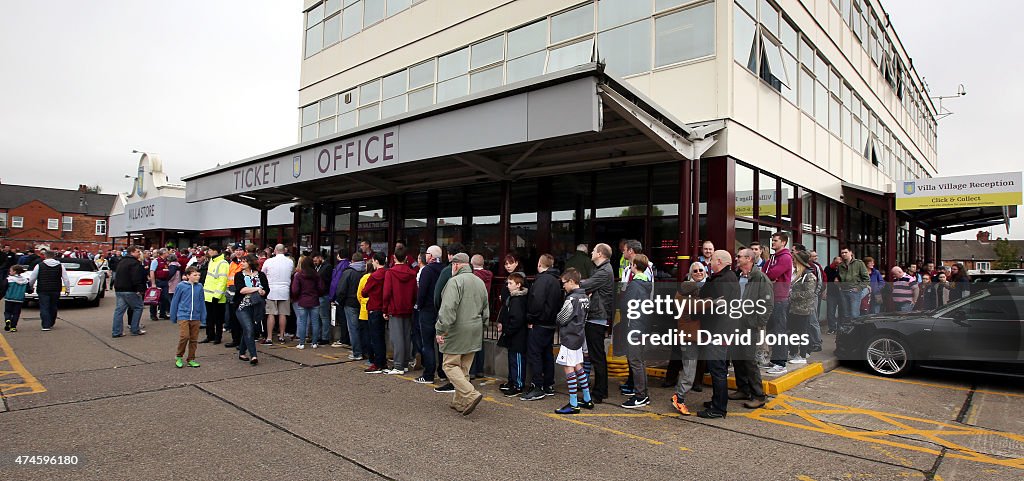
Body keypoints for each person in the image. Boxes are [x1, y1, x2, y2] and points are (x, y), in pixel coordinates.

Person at [435, 253, 490, 416]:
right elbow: (486, 308)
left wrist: (440, 329)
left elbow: (447, 310)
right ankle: (459, 401)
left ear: (456, 265)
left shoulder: (455, 282)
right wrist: (483, 326)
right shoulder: (479, 281)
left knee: (450, 365)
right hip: (475, 329)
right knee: (464, 367)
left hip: (457, 329)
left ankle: (470, 394)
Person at [696, 250, 740, 419]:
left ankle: (719, 408)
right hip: (722, 330)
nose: (710, 263)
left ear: (719, 262)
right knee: (718, 369)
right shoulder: (729, 277)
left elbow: (711, 305)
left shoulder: (722, 280)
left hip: (718, 331)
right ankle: (716, 401)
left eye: (712, 260)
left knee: (718, 370)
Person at [730, 249, 772, 409]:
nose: (737, 258)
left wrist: (756, 322)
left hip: (749, 324)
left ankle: (759, 396)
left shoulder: (760, 278)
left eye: (739, 256)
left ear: (748, 259)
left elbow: (768, 304)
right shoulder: (738, 276)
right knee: (737, 357)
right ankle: (743, 389)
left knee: (749, 360)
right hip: (736, 322)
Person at [666, 262, 706, 415]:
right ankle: (679, 398)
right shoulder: (685, 300)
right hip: (688, 339)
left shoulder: (685, 297)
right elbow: (701, 305)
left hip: (693, 338)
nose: (698, 273)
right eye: (694, 271)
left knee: (689, 369)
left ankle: (679, 396)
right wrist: (716, 301)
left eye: (700, 270)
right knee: (689, 371)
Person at [521, 254, 562, 401]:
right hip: (550, 322)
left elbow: (536, 301)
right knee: (547, 353)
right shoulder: (555, 281)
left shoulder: (541, 280)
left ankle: (537, 385)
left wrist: (530, 317)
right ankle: (548, 384)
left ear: (539, 264)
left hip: (539, 322)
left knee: (535, 354)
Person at [579, 243, 614, 404]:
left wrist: (577, 282)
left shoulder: (604, 271)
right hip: (596, 316)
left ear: (600, 254)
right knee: (596, 355)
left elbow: (586, 285)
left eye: (593, 251)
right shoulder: (602, 270)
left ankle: (599, 392)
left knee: (597, 356)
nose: (591, 252)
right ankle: (602, 390)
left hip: (596, 317)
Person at [620, 256, 653, 409]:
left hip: (634, 326)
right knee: (639, 361)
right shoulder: (647, 283)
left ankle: (640, 395)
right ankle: (643, 394)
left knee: (635, 361)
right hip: (642, 326)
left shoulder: (634, 285)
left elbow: (627, 307)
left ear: (634, 266)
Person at [382, 246, 417, 374]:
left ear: (394, 258)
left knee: (397, 338)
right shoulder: (412, 273)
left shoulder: (390, 273)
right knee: (406, 336)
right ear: (406, 258)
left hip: (395, 307)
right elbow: (415, 293)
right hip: (408, 307)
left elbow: (386, 293)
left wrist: (384, 309)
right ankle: (405, 362)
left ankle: (398, 365)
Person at [414, 246, 445, 384]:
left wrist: (418, 305)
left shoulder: (427, 270)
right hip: (442, 309)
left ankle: (428, 374)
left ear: (431, 256)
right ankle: (443, 372)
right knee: (441, 343)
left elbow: (422, 291)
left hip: (427, 309)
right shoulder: (445, 269)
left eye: (426, 253)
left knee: (427, 343)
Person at [763, 232, 793, 376]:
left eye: (775, 241)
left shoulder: (786, 258)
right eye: (772, 240)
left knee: (779, 331)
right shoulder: (774, 258)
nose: (772, 243)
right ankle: (775, 360)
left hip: (780, 298)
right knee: (774, 330)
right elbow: (764, 273)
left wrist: (768, 277)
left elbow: (772, 274)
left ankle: (781, 363)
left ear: (783, 242)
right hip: (772, 297)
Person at [497, 272, 529, 397]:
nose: (508, 285)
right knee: (512, 359)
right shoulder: (512, 298)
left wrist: (508, 330)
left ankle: (518, 385)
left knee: (517, 360)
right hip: (512, 335)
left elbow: (517, 319)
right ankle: (512, 381)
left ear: (518, 285)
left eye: (511, 283)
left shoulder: (518, 300)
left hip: (517, 335)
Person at [170, 266, 207, 368]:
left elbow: (201, 302)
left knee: (194, 339)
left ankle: (191, 358)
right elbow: (175, 301)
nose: (198, 277)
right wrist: (173, 315)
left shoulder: (199, 287)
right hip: (183, 315)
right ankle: (179, 356)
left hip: (196, 316)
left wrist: (203, 317)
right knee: (185, 336)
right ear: (187, 276)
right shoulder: (181, 286)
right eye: (195, 275)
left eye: (198, 275)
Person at [234, 254, 267, 365]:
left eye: (244, 261)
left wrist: (263, 292)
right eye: (241, 261)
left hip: (257, 306)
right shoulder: (239, 275)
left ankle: (242, 352)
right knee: (249, 328)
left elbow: (266, 289)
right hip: (242, 307)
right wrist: (257, 289)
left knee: (249, 329)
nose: (242, 263)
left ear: (250, 262)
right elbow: (241, 290)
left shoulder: (261, 275)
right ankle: (253, 356)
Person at [787, 250, 818, 366]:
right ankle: (794, 352)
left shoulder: (808, 275)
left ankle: (803, 355)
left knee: (802, 333)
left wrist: (792, 295)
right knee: (794, 331)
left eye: (794, 259)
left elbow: (810, 293)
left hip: (803, 310)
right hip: (794, 308)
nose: (793, 261)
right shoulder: (797, 273)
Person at [28, 249, 71, 331]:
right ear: (54, 256)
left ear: (45, 256)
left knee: (44, 306)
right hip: (55, 289)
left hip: (42, 289)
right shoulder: (60, 266)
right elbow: (66, 279)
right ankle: (51, 322)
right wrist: (67, 289)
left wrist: (30, 286)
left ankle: (45, 325)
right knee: (53, 306)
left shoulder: (39, 265)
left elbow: (33, 278)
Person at [361, 253, 389, 373]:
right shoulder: (388, 273)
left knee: (375, 337)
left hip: (374, 307)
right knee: (381, 337)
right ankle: (382, 361)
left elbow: (364, 292)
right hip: (384, 307)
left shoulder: (373, 276)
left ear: (376, 261)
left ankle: (377, 363)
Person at [334, 252, 366, 358]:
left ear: (352, 261)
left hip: (350, 303)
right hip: (363, 303)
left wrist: (339, 301)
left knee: (353, 328)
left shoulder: (348, 272)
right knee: (363, 328)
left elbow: (341, 289)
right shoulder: (366, 271)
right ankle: (364, 350)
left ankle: (357, 352)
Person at [262, 244, 295, 345]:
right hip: (284, 290)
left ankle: (269, 337)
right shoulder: (290, 262)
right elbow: (291, 273)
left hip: (271, 289)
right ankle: (281, 336)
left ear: (275, 251)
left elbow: (263, 273)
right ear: (284, 251)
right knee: (283, 313)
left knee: (271, 313)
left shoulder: (269, 261)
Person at [112, 246, 148, 337]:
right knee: (138, 307)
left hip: (119, 289)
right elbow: (136, 277)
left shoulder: (121, 261)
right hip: (130, 289)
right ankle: (135, 329)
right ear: (132, 252)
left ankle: (117, 331)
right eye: (137, 252)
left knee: (119, 311)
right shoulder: (135, 263)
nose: (139, 253)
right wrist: (140, 289)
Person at [291, 256, 325, 349]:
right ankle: (314, 343)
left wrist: (297, 296)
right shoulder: (316, 275)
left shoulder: (298, 275)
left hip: (302, 300)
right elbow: (321, 288)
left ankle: (301, 343)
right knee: (315, 322)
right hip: (314, 300)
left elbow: (295, 290)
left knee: (302, 322)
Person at [200, 244, 229, 344]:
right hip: (208, 295)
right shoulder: (212, 261)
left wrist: (217, 295)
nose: (208, 252)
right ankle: (210, 335)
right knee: (209, 318)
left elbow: (222, 281)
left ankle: (218, 337)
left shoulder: (223, 263)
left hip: (217, 296)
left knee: (218, 319)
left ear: (216, 251)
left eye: (210, 250)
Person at [838, 248, 870, 320]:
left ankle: (856, 330)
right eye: (842, 253)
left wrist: (858, 288)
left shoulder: (859, 263)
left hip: (854, 291)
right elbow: (840, 278)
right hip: (843, 290)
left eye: (845, 252)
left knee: (854, 314)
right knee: (845, 313)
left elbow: (866, 279)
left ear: (850, 253)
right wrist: (839, 285)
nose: (843, 254)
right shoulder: (841, 265)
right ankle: (848, 330)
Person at [329, 251, 352, 347]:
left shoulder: (340, 267)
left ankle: (344, 339)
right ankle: (347, 339)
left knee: (343, 319)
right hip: (349, 296)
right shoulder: (349, 265)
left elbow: (335, 283)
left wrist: (332, 297)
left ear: (339, 256)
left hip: (340, 296)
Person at [313, 253, 334, 347]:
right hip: (318, 295)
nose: (315, 262)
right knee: (318, 317)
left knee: (324, 317)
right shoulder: (318, 267)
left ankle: (325, 337)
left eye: (315, 260)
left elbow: (325, 280)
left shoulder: (327, 267)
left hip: (323, 295)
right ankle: (318, 336)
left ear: (320, 258)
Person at [356, 259, 375, 365]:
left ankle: (368, 355)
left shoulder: (364, 278)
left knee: (366, 334)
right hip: (375, 308)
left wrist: (363, 302)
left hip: (364, 309)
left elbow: (359, 294)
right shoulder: (377, 276)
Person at [2, 265, 30, 332]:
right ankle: (13, 327)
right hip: (19, 299)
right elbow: (29, 290)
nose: (9, 272)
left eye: (10, 271)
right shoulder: (25, 280)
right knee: (16, 313)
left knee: (8, 311)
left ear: (14, 272)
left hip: (9, 298)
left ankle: (8, 320)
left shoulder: (9, 279)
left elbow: (3, 288)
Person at [148, 248, 172, 321]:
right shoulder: (156, 261)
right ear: (163, 253)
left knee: (164, 298)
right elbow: (152, 271)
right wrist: (153, 283)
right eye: (167, 253)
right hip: (158, 281)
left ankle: (162, 313)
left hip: (165, 281)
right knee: (155, 298)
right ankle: (153, 314)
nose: (168, 254)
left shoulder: (165, 261)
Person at [824, 256, 843, 334]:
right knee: (831, 311)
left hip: (841, 292)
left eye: (839, 262)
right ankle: (832, 328)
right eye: (836, 262)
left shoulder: (843, 268)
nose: (838, 263)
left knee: (842, 311)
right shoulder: (828, 268)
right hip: (831, 292)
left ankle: (840, 327)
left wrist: (838, 277)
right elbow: (826, 279)